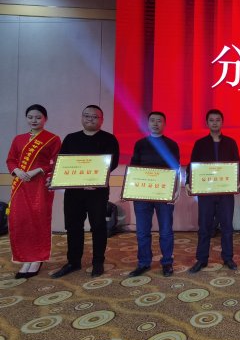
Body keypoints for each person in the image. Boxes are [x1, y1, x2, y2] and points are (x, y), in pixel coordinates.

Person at [51, 105, 120, 278]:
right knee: (73, 226)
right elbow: (63, 162)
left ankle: (98, 262)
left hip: (97, 191)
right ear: (82, 118)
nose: (90, 119)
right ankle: (73, 262)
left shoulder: (109, 139)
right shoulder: (71, 138)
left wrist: (95, 180)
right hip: (74, 192)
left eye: (95, 117)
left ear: (101, 120)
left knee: (98, 226)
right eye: (87, 116)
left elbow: (113, 163)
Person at [6, 104, 61, 279]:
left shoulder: (52, 139)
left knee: (38, 220)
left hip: (40, 185)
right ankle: (25, 258)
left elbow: (57, 162)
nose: (34, 120)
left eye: (38, 117)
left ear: (45, 119)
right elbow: (11, 159)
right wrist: (17, 170)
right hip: (21, 185)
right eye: (30, 117)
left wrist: (38, 170)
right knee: (21, 221)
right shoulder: (18, 139)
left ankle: (37, 257)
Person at [187, 109, 240, 273]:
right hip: (206, 192)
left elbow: (237, 163)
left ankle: (228, 258)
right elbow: (193, 164)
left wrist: (239, 180)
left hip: (226, 192)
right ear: (207, 123)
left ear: (222, 122)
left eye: (218, 120)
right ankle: (201, 259)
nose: (215, 122)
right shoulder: (200, 143)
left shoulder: (230, 142)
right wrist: (188, 182)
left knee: (227, 226)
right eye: (211, 120)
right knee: (204, 226)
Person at [128, 112, 180, 277]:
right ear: (148, 124)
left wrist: (175, 191)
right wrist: (130, 190)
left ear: (164, 124)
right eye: (152, 121)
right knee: (142, 231)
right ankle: (144, 262)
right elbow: (134, 168)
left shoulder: (172, 144)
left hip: (164, 194)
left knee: (166, 231)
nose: (156, 124)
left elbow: (176, 169)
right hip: (142, 195)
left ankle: (167, 262)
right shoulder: (140, 144)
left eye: (159, 121)